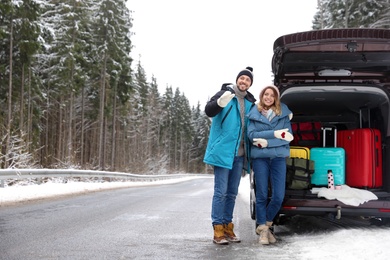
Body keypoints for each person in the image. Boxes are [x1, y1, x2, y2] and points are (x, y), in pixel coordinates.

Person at [203, 67, 256, 245]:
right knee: (221, 192)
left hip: (240, 155)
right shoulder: (225, 93)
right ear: (237, 80)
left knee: (232, 193)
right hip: (223, 153)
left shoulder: (250, 103)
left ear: (250, 84)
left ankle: (227, 227)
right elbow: (209, 111)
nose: (244, 82)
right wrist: (220, 102)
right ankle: (217, 229)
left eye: (247, 80)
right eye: (241, 78)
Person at [247, 85, 293, 245]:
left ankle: (264, 226)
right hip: (260, 159)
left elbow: (288, 137)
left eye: (272, 95)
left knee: (278, 197)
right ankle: (264, 232)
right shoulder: (254, 113)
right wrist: (275, 134)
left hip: (278, 159)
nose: (268, 97)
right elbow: (252, 135)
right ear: (262, 96)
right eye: (266, 94)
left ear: (275, 98)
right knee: (261, 196)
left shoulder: (284, 113)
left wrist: (266, 142)